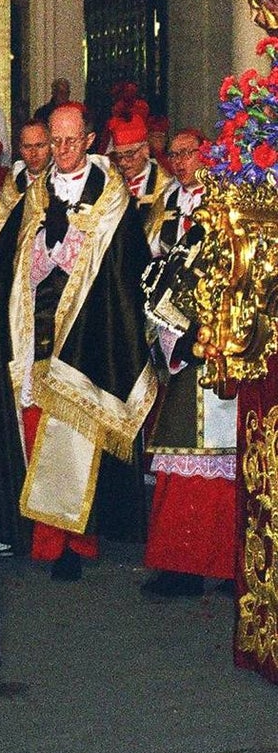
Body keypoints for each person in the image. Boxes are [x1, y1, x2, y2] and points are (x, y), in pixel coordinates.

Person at [0, 103, 156, 581]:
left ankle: (78, 541)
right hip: (36, 330)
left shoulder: (112, 198)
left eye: (69, 140)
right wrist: (41, 256)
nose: (60, 150)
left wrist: (78, 257)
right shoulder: (33, 195)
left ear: (88, 139)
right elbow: (9, 261)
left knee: (79, 431)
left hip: (88, 332)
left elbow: (127, 269)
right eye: (53, 141)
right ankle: (45, 538)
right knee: (36, 426)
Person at [141, 128, 235, 597]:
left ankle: (220, 564)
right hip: (174, 334)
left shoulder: (228, 202)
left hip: (218, 336)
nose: (179, 162)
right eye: (172, 155)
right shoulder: (165, 202)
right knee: (182, 449)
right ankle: (183, 562)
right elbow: (152, 257)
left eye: (187, 153)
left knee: (217, 453)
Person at [0, 119, 52, 239]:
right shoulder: (12, 185)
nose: (33, 153)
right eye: (27, 147)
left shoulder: (59, 181)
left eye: (39, 145)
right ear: (20, 149)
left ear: (51, 146)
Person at [109, 113, 173, 232]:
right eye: (119, 156)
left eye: (129, 154)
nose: (123, 163)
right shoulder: (109, 180)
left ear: (145, 150)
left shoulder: (167, 185)